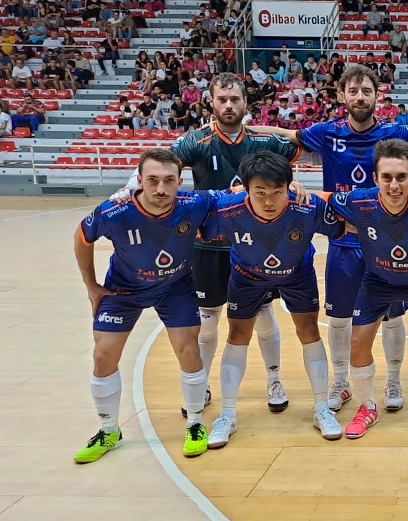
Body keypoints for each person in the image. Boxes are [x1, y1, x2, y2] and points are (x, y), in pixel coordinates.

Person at [111, 74, 304, 416]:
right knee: (208, 320)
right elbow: (162, 164)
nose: (229, 105)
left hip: (254, 246)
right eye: (222, 100)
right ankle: (202, 383)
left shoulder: (262, 140)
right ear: (211, 103)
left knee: (263, 314)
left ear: (246, 103)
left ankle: (274, 379)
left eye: (235, 99)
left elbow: (297, 150)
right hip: (208, 247)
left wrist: (295, 179)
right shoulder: (195, 141)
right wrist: (131, 188)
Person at [251, 66, 408, 412]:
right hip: (343, 243)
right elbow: (287, 136)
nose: (360, 97)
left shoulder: (397, 134)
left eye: (367, 91)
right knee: (340, 318)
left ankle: (393, 381)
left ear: (378, 96)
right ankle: (342, 382)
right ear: (341, 95)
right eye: (354, 91)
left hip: (388, 242)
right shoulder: (327, 133)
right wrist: (245, 129)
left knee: (392, 317)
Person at [315, 140, 408, 439]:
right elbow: (321, 198)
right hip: (380, 280)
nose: (394, 185)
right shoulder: (358, 201)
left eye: (401, 177)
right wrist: (292, 189)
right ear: (375, 179)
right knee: (358, 341)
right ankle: (367, 406)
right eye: (387, 177)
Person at [72, 149, 214, 463]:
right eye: (152, 180)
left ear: (180, 182)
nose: (161, 188)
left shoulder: (196, 203)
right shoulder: (114, 211)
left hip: (175, 289)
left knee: (188, 349)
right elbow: (82, 237)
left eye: (168, 181)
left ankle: (194, 423)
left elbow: (237, 193)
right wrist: (92, 286)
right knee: (103, 354)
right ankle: (109, 431)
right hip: (123, 291)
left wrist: (294, 187)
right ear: (139, 181)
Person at [202, 151, 346, 448]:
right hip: (246, 275)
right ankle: (227, 415)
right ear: (245, 188)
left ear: (290, 187)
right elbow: (189, 207)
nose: (269, 201)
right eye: (260, 193)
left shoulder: (307, 206)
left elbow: (343, 223)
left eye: (277, 192)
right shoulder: (227, 208)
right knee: (237, 336)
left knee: (309, 332)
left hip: (297, 273)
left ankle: (321, 408)